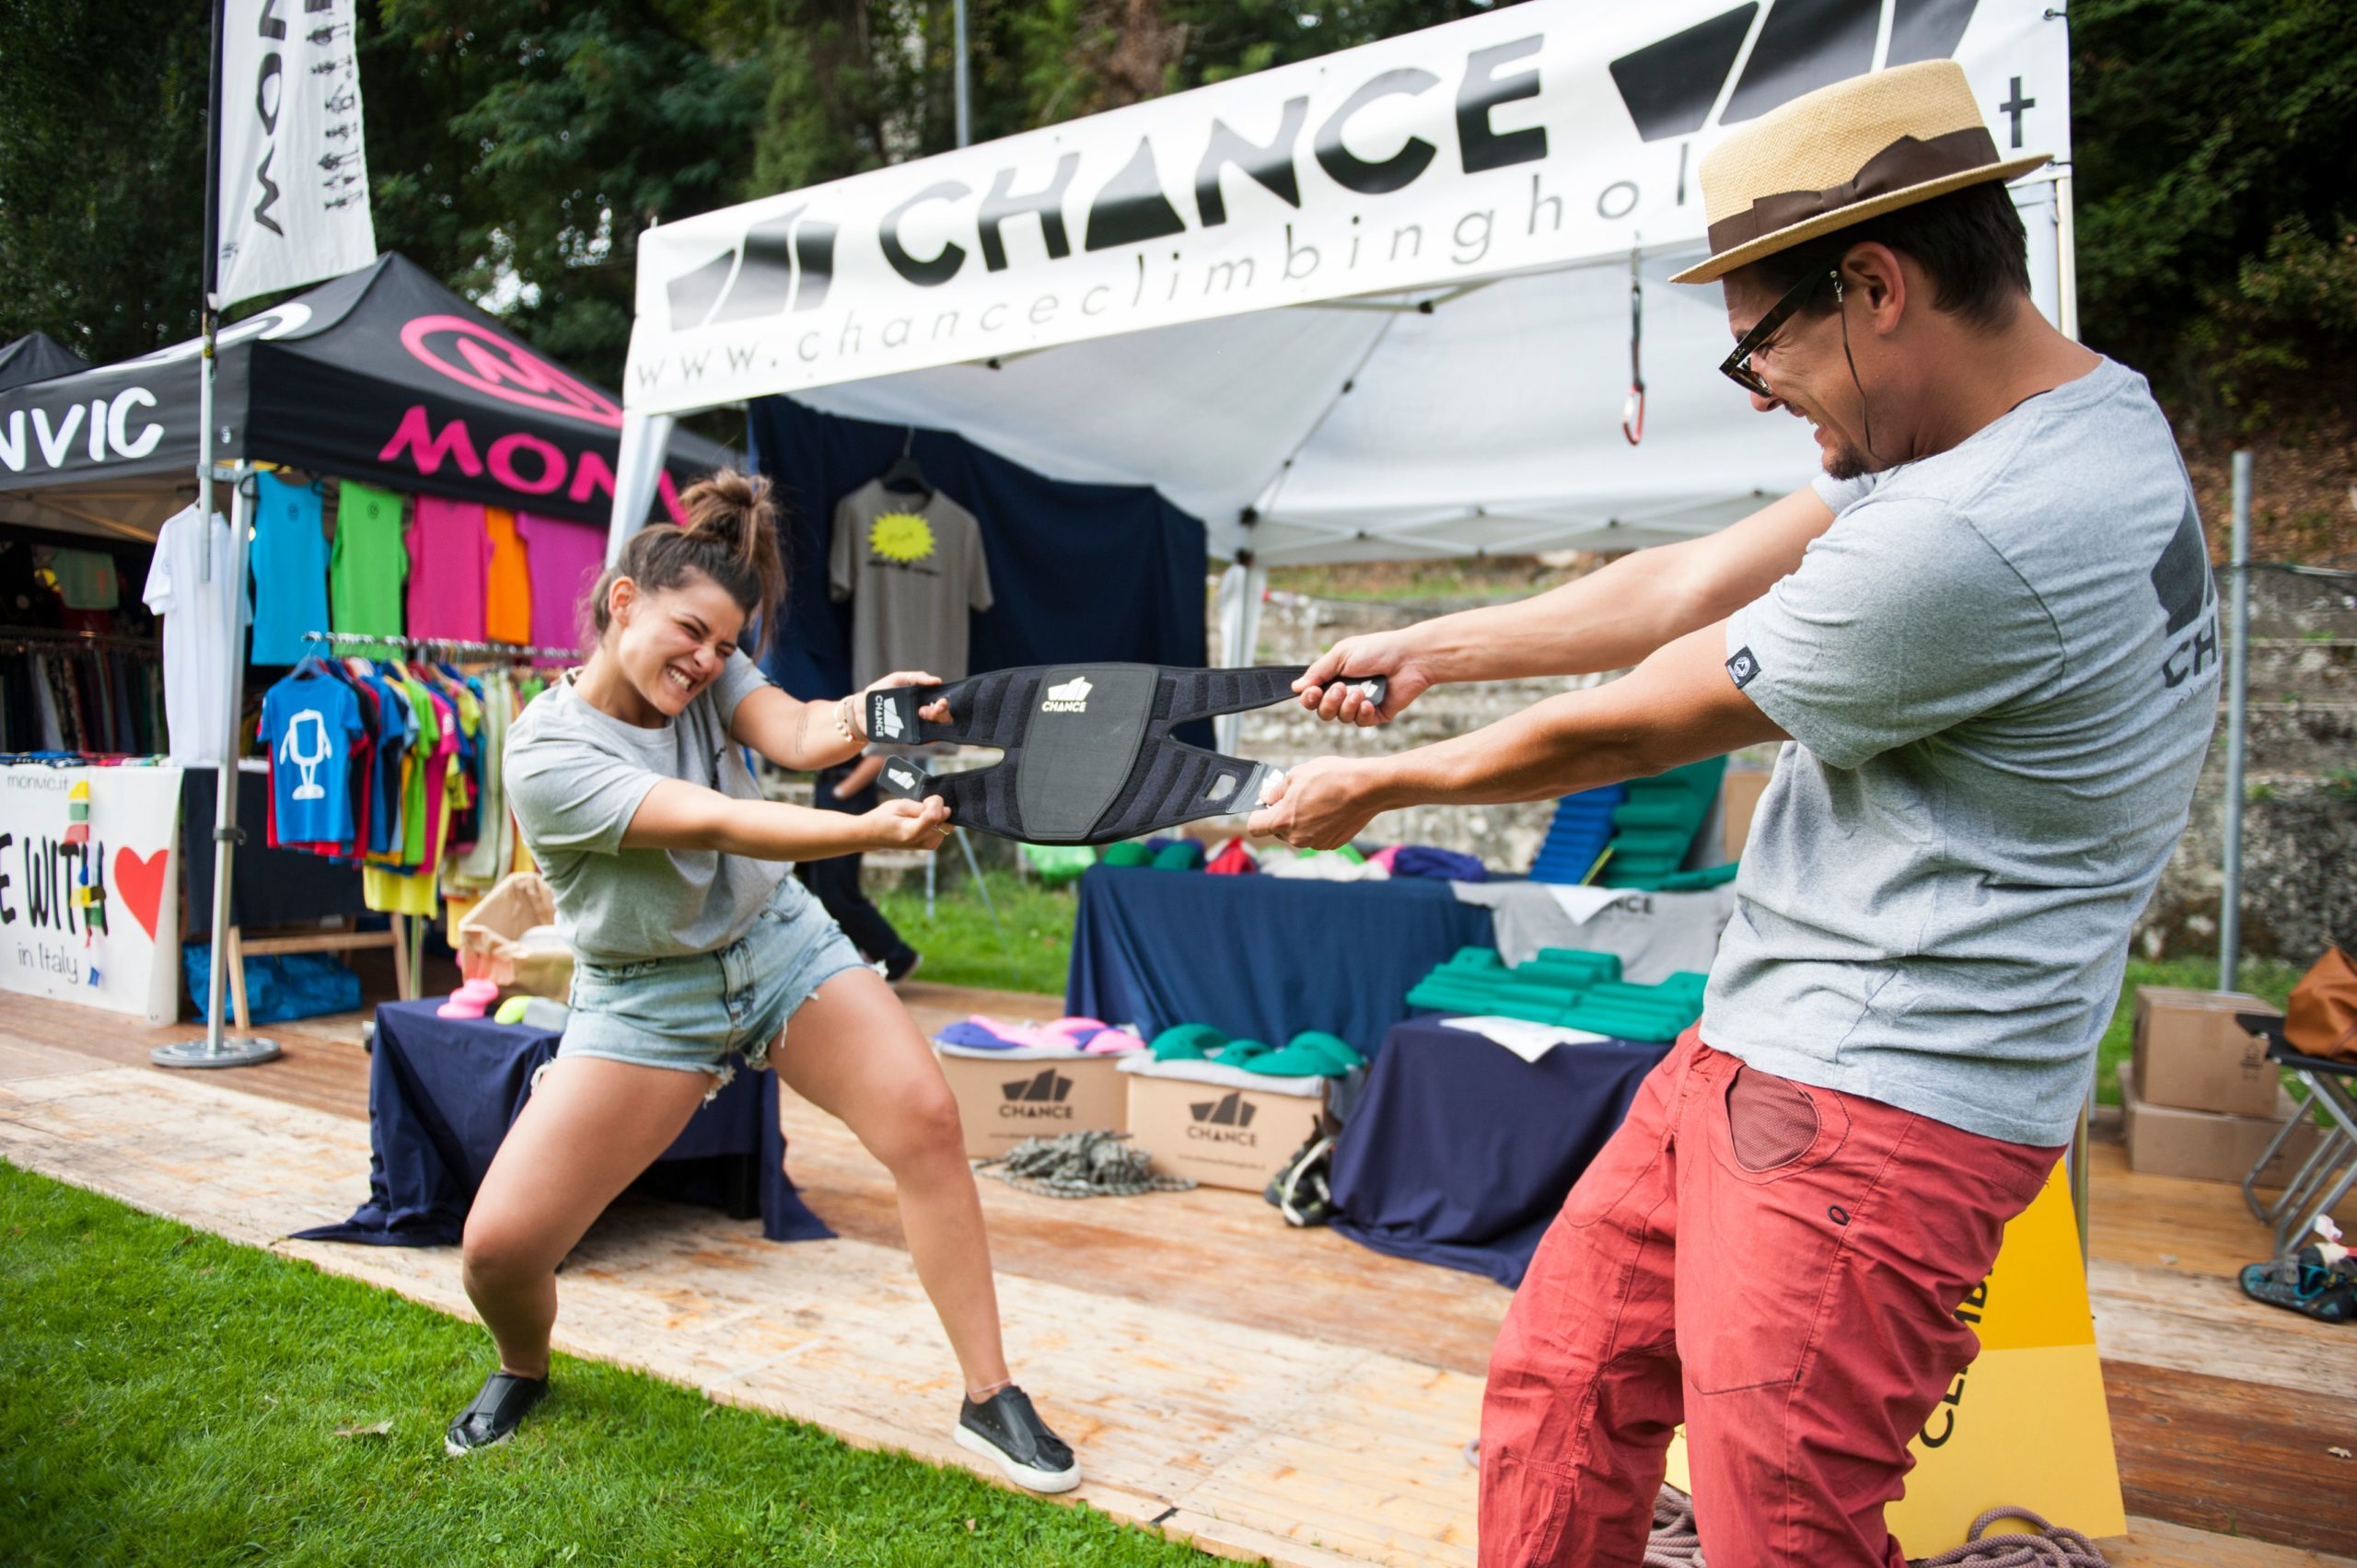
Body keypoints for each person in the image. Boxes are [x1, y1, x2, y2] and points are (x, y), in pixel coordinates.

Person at [1248, 62, 2221, 1568]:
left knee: (1785, 1530)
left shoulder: (1976, 531)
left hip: (1886, 1098)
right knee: (1561, 1389)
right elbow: (1687, 581)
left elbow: (1633, 719)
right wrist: (1432, 646)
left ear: (1875, 286)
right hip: (1767, 1038)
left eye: (1759, 346)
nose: (1760, 390)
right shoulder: (2062, 416)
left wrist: (1381, 782)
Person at [447, 470, 1078, 1493]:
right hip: (647, 998)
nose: (705, 661)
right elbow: (717, 819)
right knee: (498, 1249)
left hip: (777, 945)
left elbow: (797, 730)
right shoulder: (547, 753)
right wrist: (864, 830)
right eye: (690, 633)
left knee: (925, 1119)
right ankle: (522, 1364)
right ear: (622, 602)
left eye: (723, 645)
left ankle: (988, 1391)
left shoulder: (711, 667)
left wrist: (872, 712)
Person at [795, 750, 923, 982]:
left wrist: (841, 791)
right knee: (821, 885)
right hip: (830, 787)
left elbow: (882, 752)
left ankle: (896, 957)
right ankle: (857, 955)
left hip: (846, 792)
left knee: (836, 891)